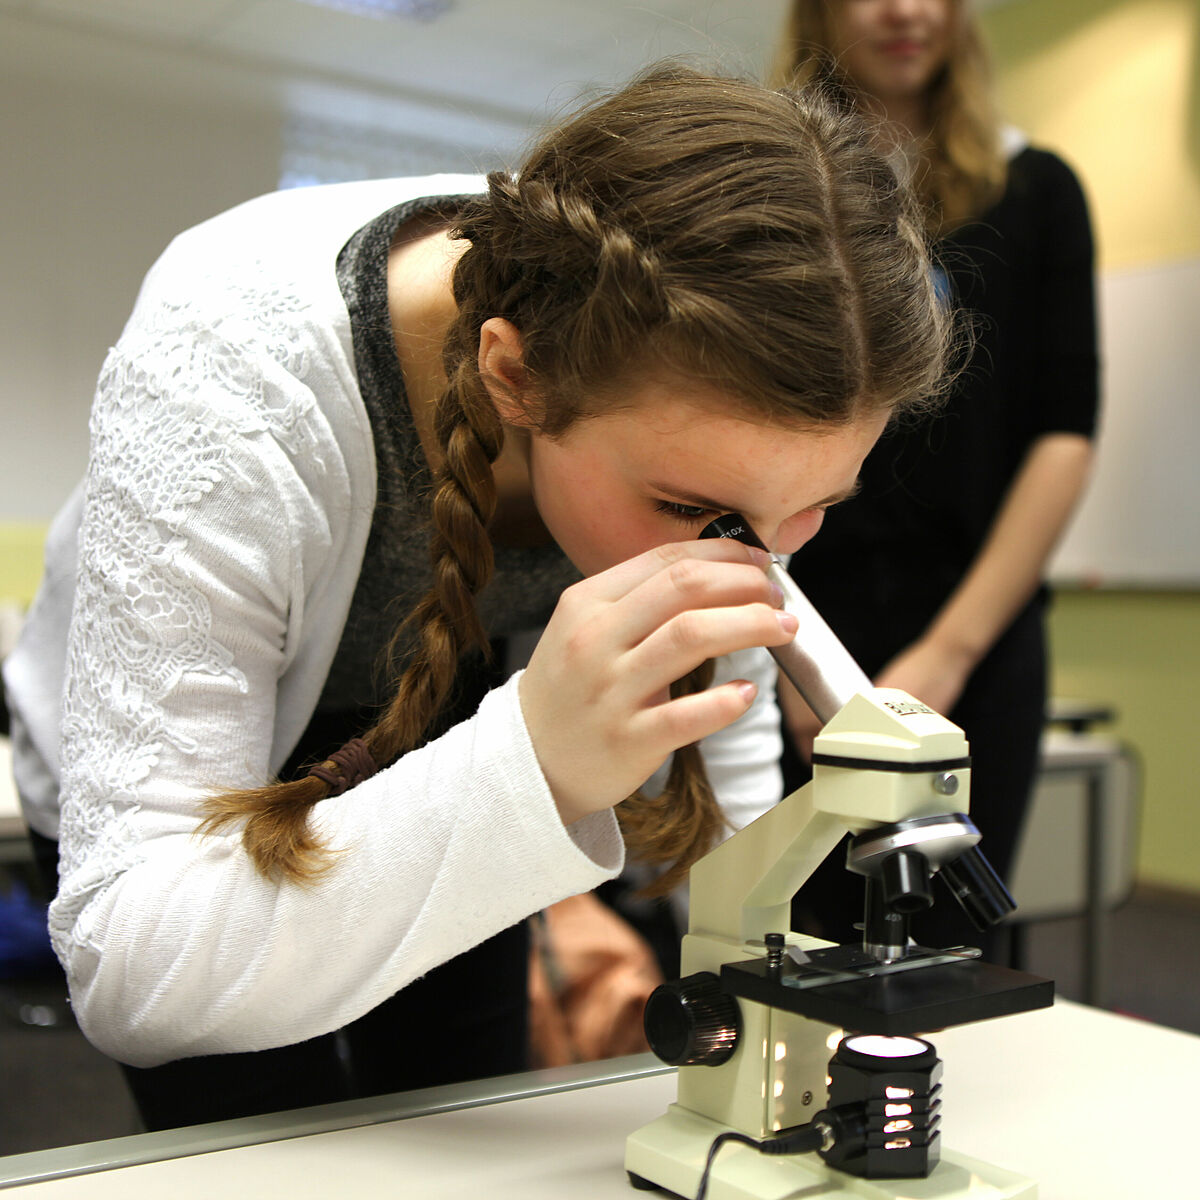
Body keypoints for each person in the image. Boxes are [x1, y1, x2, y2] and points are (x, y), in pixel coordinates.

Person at [3, 63, 952, 1129]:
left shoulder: (712, 375)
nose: (761, 560)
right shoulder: (231, 377)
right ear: (514, 378)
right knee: (267, 1141)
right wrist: (533, 764)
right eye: (696, 508)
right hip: (188, 794)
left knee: (462, 1123)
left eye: (817, 507)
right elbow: (141, 978)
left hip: (451, 709)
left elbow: (724, 793)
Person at [771, 2, 1099, 955]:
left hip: (978, 637)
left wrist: (949, 657)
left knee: (955, 951)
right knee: (794, 943)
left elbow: (1062, 435)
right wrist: (795, 656)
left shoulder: (1036, 191)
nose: (908, 9)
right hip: (799, 622)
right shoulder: (773, 190)